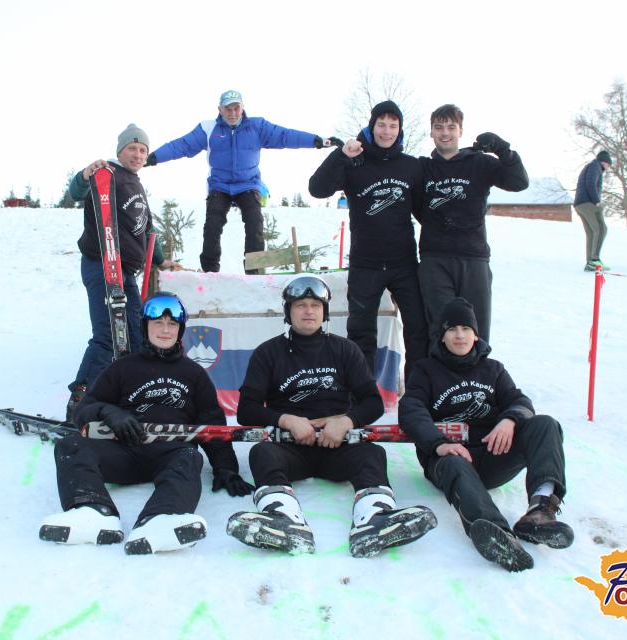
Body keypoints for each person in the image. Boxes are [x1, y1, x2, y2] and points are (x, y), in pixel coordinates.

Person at [226, 275, 436, 557]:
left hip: (337, 444)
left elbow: (373, 403)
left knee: (372, 454)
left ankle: (374, 520)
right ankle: (283, 520)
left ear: (324, 311)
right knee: (262, 453)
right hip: (289, 446)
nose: (308, 311)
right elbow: (246, 410)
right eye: (300, 305)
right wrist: (287, 420)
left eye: (315, 305)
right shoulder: (268, 353)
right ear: (288, 311)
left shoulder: (345, 350)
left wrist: (346, 421)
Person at [40, 292, 253, 554]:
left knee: (189, 457)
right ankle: (92, 511)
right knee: (71, 445)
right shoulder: (122, 368)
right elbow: (83, 411)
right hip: (123, 450)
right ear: (145, 326)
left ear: (180, 330)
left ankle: (161, 518)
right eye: (158, 323)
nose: (165, 330)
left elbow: (211, 423)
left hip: (170, 453)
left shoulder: (193, 374)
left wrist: (226, 468)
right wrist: (109, 412)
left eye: (172, 324)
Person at [399, 297, 572, 572]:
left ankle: (539, 514)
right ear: (442, 336)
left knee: (545, 424)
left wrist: (509, 420)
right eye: (452, 329)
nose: (459, 335)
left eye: (465, 328)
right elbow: (411, 410)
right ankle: (497, 534)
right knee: (455, 462)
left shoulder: (493, 369)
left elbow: (520, 401)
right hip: (448, 459)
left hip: (492, 454)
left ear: (476, 334)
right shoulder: (425, 370)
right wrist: (439, 444)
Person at [148, 90, 341, 274]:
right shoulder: (208, 128)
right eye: (228, 109)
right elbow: (182, 145)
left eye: (236, 108)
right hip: (220, 185)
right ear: (219, 109)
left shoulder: (257, 126)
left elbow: (285, 135)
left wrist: (317, 141)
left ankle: (254, 269)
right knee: (213, 224)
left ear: (242, 108)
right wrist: (154, 157)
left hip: (248, 184)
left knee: (254, 222)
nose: (232, 113)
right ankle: (210, 271)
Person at [65, 124, 181, 421]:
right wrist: (84, 175)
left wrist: (161, 260)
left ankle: (132, 397)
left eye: (142, 150)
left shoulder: (136, 184)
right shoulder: (107, 174)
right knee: (107, 335)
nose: (138, 154)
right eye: (132, 148)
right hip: (101, 265)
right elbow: (76, 192)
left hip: (125, 272)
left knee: (137, 333)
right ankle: (81, 400)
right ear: (120, 151)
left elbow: (147, 228)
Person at [308, 100, 428, 382]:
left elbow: (426, 213)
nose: (387, 131)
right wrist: (341, 155)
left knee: (418, 330)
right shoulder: (355, 162)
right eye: (381, 125)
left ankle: (417, 394)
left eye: (393, 126)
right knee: (361, 333)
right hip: (366, 264)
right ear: (371, 127)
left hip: (404, 264)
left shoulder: (411, 167)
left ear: (400, 130)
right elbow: (317, 189)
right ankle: (363, 396)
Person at [417, 104, 529, 344]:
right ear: (431, 132)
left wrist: (503, 149)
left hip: (473, 257)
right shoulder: (423, 168)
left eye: (451, 127)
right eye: (439, 127)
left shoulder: (480, 163)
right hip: (435, 259)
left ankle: (479, 370)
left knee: (476, 330)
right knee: (440, 330)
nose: (445, 133)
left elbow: (519, 182)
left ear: (460, 131)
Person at [574, 151, 614, 271]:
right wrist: (597, 201)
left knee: (591, 232)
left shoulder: (591, 166)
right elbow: (590, 183)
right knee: (601, 229)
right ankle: (594, 260)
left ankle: (590, 263)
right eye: (608, 165)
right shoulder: (595, 166)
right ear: (604, 162)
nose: (608, 168)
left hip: (580, 204)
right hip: (588, 203)